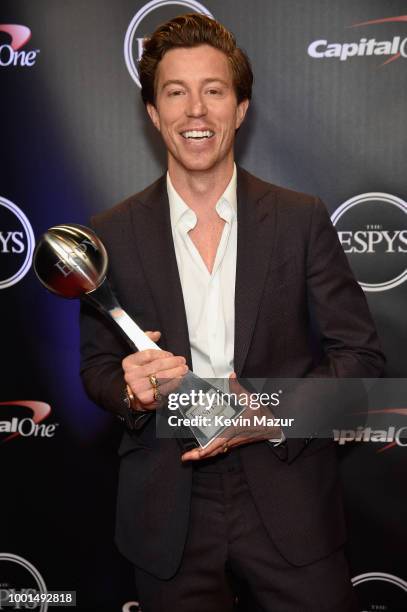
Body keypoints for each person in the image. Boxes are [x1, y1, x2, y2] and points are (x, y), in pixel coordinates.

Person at [79, 14, 384, 612]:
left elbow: (363, 365)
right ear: (152, 112)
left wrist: (265, 413)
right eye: (176, 92)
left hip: (290, 495)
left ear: (240, 108)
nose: (196, 111)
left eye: (214, 91)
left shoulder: (300, 219)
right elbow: (96, 369)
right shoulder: (109, 234)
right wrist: (130, 390)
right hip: (168, 510)